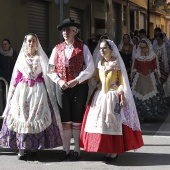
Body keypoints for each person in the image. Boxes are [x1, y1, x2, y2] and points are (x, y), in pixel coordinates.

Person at [0, 33, 63, 160]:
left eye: (33, 41)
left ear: (36, 43)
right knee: (22, 116)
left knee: (36, 116)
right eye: (29, 41)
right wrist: (12, 93)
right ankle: (21, 149)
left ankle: (35, 147)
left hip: (38, 91)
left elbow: (51, 70)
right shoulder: (21, 58)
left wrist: (59, 76)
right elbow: (16, 76)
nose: (31, 43)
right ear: (25, 43)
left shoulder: (42, 57)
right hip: (22, 91)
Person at [80, 39, 144, 162]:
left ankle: (114, 150)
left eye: (105, 48)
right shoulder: (100, 63)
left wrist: (122, 95)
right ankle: (106, 148)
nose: (102, 51)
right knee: (101, 123)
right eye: (100, 48)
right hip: (100, 96)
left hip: (113, 95)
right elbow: (97, 80)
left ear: (111, 49)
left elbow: (122, 82)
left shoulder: (117, 63)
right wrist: (94, 81)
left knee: (113, 123)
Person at [48, 18, 95, 161]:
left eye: (68, 30)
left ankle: (76, 150)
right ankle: (65, 149)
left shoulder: (83, 48)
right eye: (63, 30)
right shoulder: (57, 49)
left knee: (77, 118)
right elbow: (51, 69)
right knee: (65, 118)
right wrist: (59, 80)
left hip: (79, 87)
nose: (65, 33)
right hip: (62, 87)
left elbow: (90, 67)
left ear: (75, 31)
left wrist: (77, 80)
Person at [131, 38, 168, 122]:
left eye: (144, 47)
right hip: (139, 78)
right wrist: (136, 73)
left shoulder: (152, 56)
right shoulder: (137, 56)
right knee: (137, 96)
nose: (142, 49)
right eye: (141, 48)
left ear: (148, 47)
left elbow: (155, 67)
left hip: (150, 77)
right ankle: (141, 115)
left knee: (152, 94)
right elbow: (135, 67)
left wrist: (152, 71)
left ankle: (150, 114)